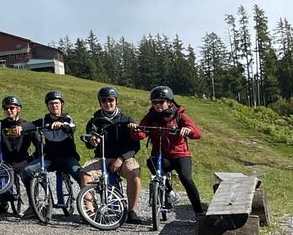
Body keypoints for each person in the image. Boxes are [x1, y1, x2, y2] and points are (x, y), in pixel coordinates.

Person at [136, 85, 204, 215]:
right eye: (154, 102)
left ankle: (199, 212)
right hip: (161, 155)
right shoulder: (150, 117)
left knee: (186, 178)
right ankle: (169, 191)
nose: (157, 105)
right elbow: (141, 133)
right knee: (151, 162)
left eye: (161, 102)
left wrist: (188, 130)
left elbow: (197, 134)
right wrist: (136, 130)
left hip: (180, 155)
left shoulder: (179, 116)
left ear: (169, 102)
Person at [81, 86, 144, 224]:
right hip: (101, 157)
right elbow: (89, 142)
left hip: (124, 158)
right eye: (104, 100)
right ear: (100, 102)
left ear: (116, 101)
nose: (107, 103)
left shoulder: (127, 120)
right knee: (85, 174)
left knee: (134, 175)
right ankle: (89, 212)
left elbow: (135, 146)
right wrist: (92, 141)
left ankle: (131, 211)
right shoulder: (94, 121)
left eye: (110, 100)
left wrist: (121, 158)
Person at [23, 91, 90, 210]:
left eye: (56, 103)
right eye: (51, 103)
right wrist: (20, 127)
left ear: (61, 104)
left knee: (81, 176)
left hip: (68, 158)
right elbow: (30, 125)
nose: (54, 106)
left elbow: (71, 128)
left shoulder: (67, 118)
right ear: (47, 106)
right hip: (50, 158)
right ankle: (33, 204)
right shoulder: (44, 120)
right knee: (26, 171)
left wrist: (62, 125)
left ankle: (90, 206)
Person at [0, 95, 40, 216]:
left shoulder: (27, 126)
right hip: (5, 161)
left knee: (29, 176)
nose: (9, 110)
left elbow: (39, 149)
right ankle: (3, 204)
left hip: (23, 161)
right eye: (6, 108)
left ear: (18, 109)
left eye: (12, 108)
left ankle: (34, 205)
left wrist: (26, 162)